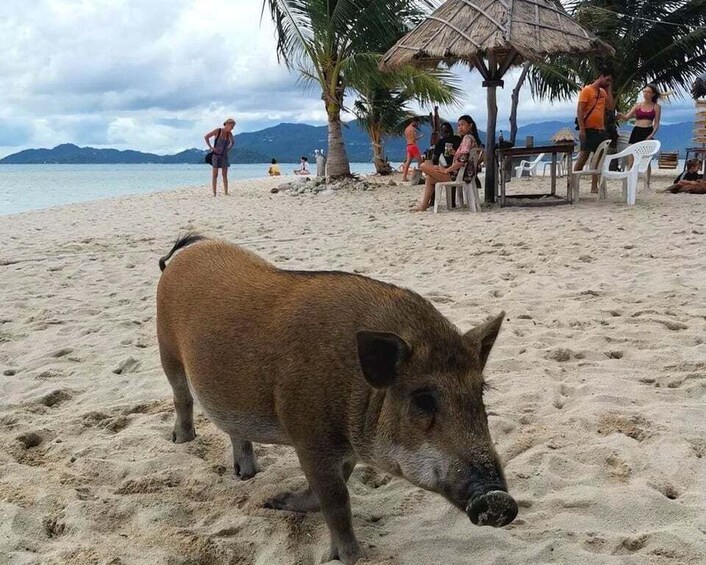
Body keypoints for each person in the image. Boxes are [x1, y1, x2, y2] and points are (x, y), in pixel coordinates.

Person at [413, 115, 478, 212]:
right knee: (430, 178)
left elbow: (462, 160)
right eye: (459, 125)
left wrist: (446, 170)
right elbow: (465, 157)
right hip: (464, 173)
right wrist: (455, 153)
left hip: (457, 175)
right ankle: (424, 205)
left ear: (470, 125)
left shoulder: (467, 139)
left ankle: (424, 205)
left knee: (423, 165)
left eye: (463, 125)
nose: (460, 127)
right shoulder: (469, 138)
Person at [574, 72, 614, 193]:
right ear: (600, 76)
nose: (608, 83)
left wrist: (609, 89)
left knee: (598, 158)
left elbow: (611, 107)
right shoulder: (587, 90)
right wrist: (582, 129)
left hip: (600, 129)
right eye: (607, 80)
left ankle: (594, 186)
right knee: (583, 156)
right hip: (588, 129)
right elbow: (580, 110)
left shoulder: (602, 92)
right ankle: (574, 183)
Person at [204, 118, 236, 196]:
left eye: (233, 127)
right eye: (232, 127)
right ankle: (214, 193)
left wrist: (228, 149)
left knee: (224, 175)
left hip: (224, 156)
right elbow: (206, 137)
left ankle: (226, 192)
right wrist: (211, 148)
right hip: (215, 156)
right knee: (215, 175)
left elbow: (233, 142)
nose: (232, 129)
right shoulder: (218, 131)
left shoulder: (229, 134)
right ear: (227, 124)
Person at [402, 118, 423, 182]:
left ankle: (404, 176)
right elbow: (414, 139)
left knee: (408, 162)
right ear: (414, 122)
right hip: (413, 145)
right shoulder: (413, 129)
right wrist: (420, 137)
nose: (417, 125)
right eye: (417, 123)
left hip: (408, 146)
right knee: (420, 161)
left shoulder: (406, 129)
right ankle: (419, 176)